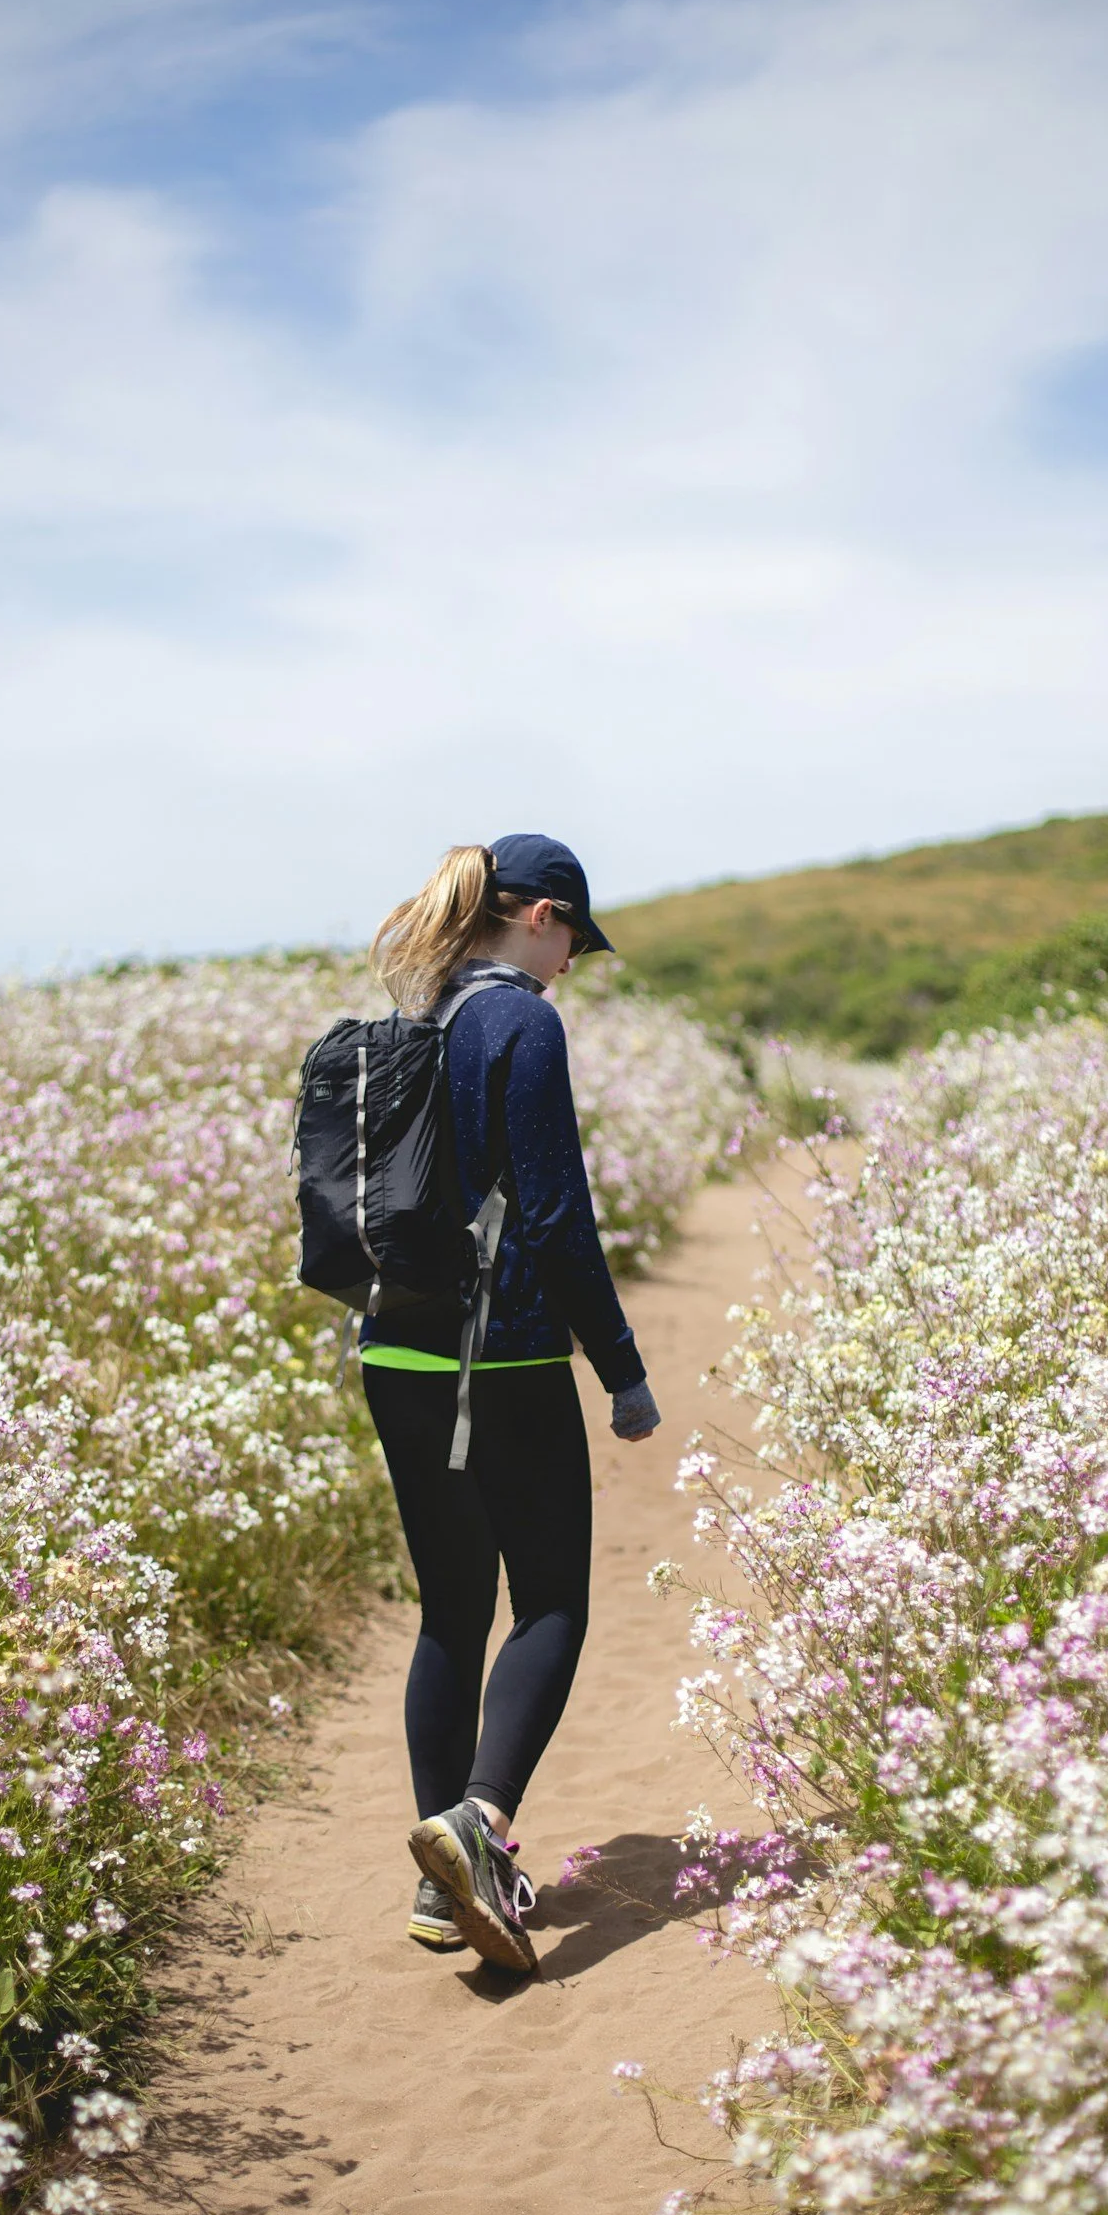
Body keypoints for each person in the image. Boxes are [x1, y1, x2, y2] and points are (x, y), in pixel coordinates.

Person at [362, 833, 661, 1972]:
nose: (572, 961)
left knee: (449, 1611)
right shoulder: (518, 1022)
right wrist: (619, 1368)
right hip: (505, 1359)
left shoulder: (416, 1021)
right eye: (572, 937)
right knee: (549, 1606)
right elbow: (555, 1217)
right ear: (535, 916)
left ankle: (444, 1892)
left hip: (394, 1351)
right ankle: (480, 1826)